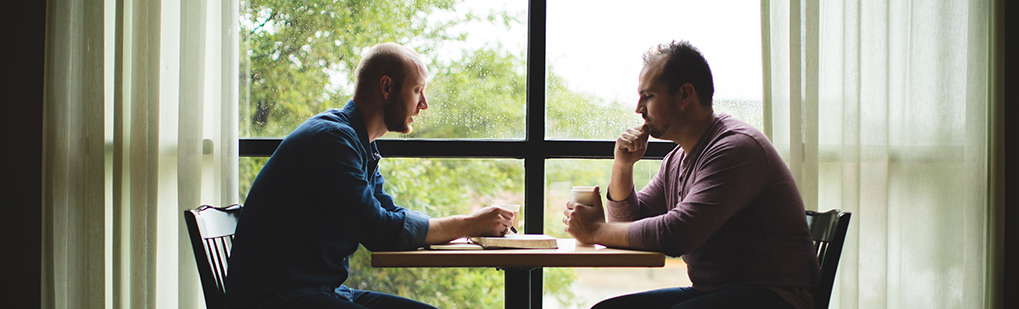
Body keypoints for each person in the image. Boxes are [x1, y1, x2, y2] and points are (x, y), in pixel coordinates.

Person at [224, 42, 515, 309]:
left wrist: (469, 226)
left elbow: (388, 213)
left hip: (317, 291)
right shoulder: (333, 140)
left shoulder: (359, 144)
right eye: (417, 90)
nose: (424, 104)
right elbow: (380, 231)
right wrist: (470, 224)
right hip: (279, 298)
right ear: (387, 88)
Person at [562, 41, 820, 309]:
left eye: (648, 96)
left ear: (685, 95)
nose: (638, 108)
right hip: (715, 293)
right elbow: (629, 223)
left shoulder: (735, 148)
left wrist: (596, 231)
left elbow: (675, 234)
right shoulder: (677, 158)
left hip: (776, 297)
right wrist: (622, 167)